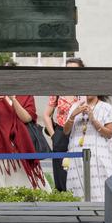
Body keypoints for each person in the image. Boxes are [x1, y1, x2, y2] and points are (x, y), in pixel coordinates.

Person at [0, 93, 45, 189]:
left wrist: (14, 100)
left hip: (22, 149)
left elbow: (27, 118)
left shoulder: (27, 95)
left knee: (25, 187)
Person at [64, 94, 112, 202]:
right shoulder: (75, 106)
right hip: (77, 156)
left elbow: (109, 134)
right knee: (77, 190)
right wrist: (73, 115)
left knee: (100, 188)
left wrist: (93, 120)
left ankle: (100, 215)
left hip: (98, 157)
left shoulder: (106, 107)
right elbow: (66, 131)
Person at [43, 57, 85, 192]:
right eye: (68, 69)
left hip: (79, 133)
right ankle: (62, 194)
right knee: (61, 170)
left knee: (79, 166)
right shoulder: (58, 89)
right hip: (61, 133)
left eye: (75, 69)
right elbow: (46, 115)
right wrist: (54, 135)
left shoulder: (85, 91)